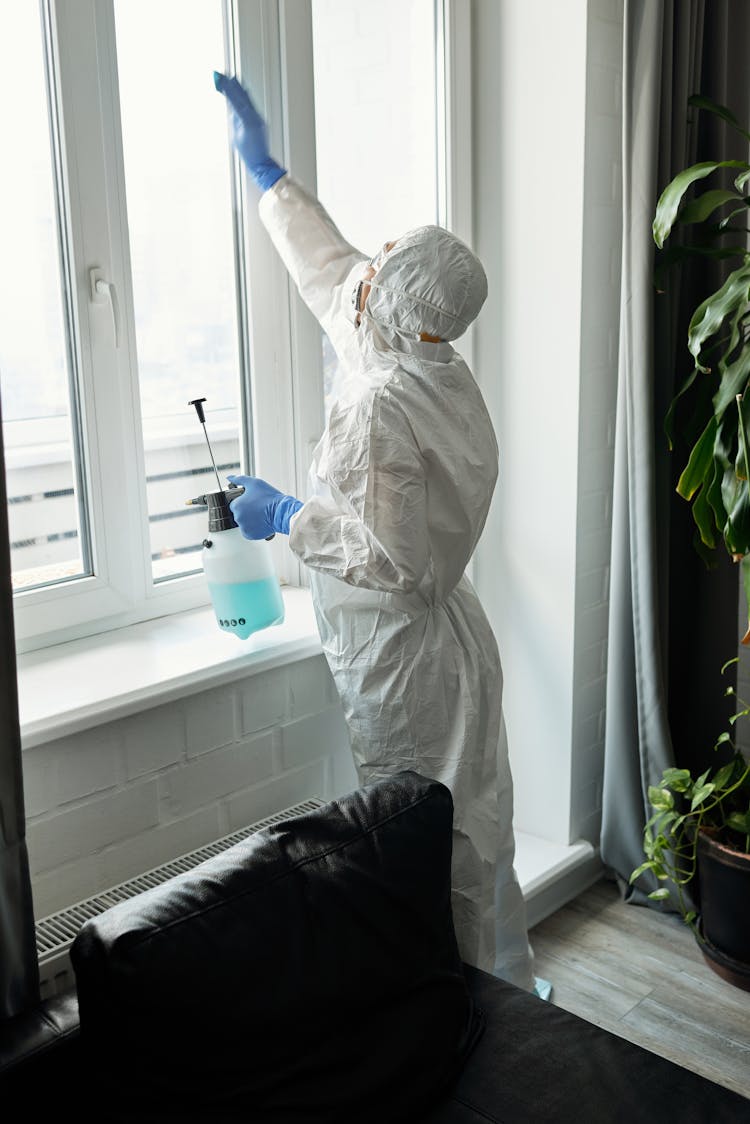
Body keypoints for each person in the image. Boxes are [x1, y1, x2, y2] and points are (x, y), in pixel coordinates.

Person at [214, 71, 543, 994]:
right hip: (449, 638)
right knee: (474, 817)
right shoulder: (437, 366)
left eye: (387, 259)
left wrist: (288, 518)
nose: (371, 262)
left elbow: (392, 559)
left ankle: (460, 1003)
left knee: (430, 835)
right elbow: (338, 275)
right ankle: (497, 981)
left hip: (404, 660)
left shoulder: (377, 403)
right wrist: (270, 175)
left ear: (393, 304)